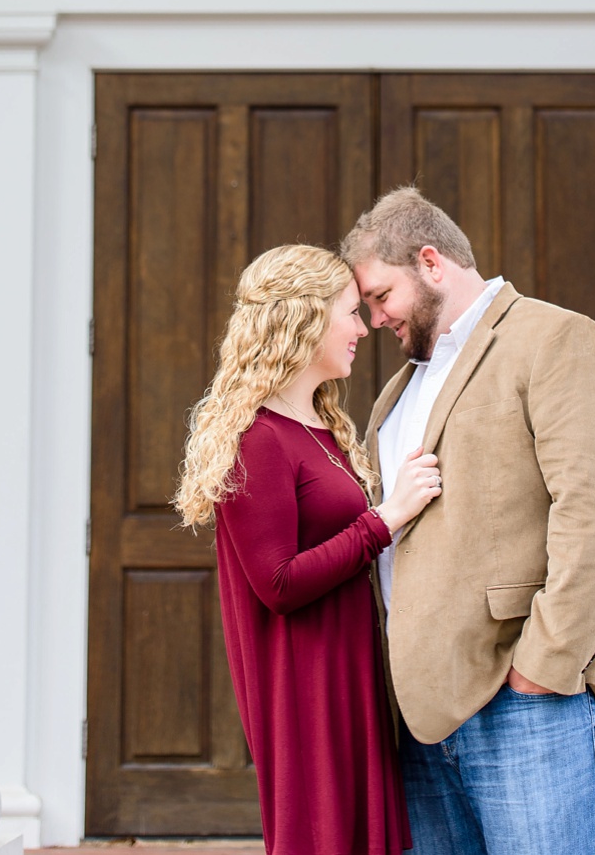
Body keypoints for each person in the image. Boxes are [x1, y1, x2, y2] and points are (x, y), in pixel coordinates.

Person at [344, 187, 595, 855]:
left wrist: (545, 663)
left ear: (431, 262)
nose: (374, 319)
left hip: (527, 707)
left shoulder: (553, 338)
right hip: (422, 722)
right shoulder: (398, 392)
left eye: (380, 297)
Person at [173, 243, 443, 855]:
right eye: (351, 312)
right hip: (306, 689)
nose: (363, 328)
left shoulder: (319, 429)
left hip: (350, 673)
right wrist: (388, 517)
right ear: (306, 318)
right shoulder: (258, 439)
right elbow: (279, 584)